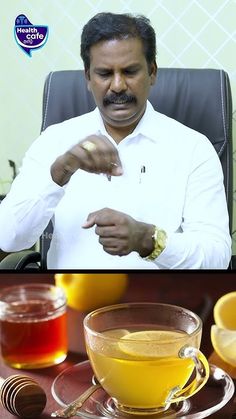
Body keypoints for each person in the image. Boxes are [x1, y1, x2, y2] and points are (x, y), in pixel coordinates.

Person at [0, 12, 231, 269]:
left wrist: (148, 239)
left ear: (152, 72)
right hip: (72, 299)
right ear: (88, 77)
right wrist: (59, 172)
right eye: (104, 74)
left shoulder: (194, 148)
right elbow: (8, 238)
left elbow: (217, 257)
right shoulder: (55, 140)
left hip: (158, 301)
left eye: (130, 71)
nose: (118, 86)